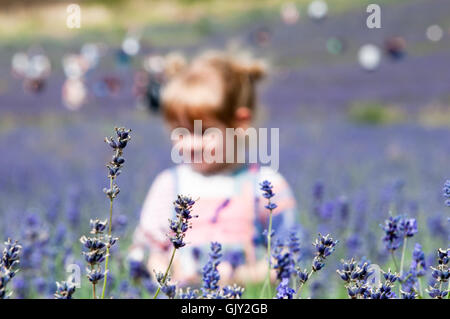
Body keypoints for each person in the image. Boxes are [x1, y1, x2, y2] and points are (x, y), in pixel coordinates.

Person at [129, 51, 297, 287]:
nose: (191, 143)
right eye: (180, 132)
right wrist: (168, 279)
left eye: (205, 132)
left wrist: (237, 278)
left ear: (240, 124)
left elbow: (288, 258)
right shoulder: (167, 186)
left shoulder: (267, 185)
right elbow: (149, 253)